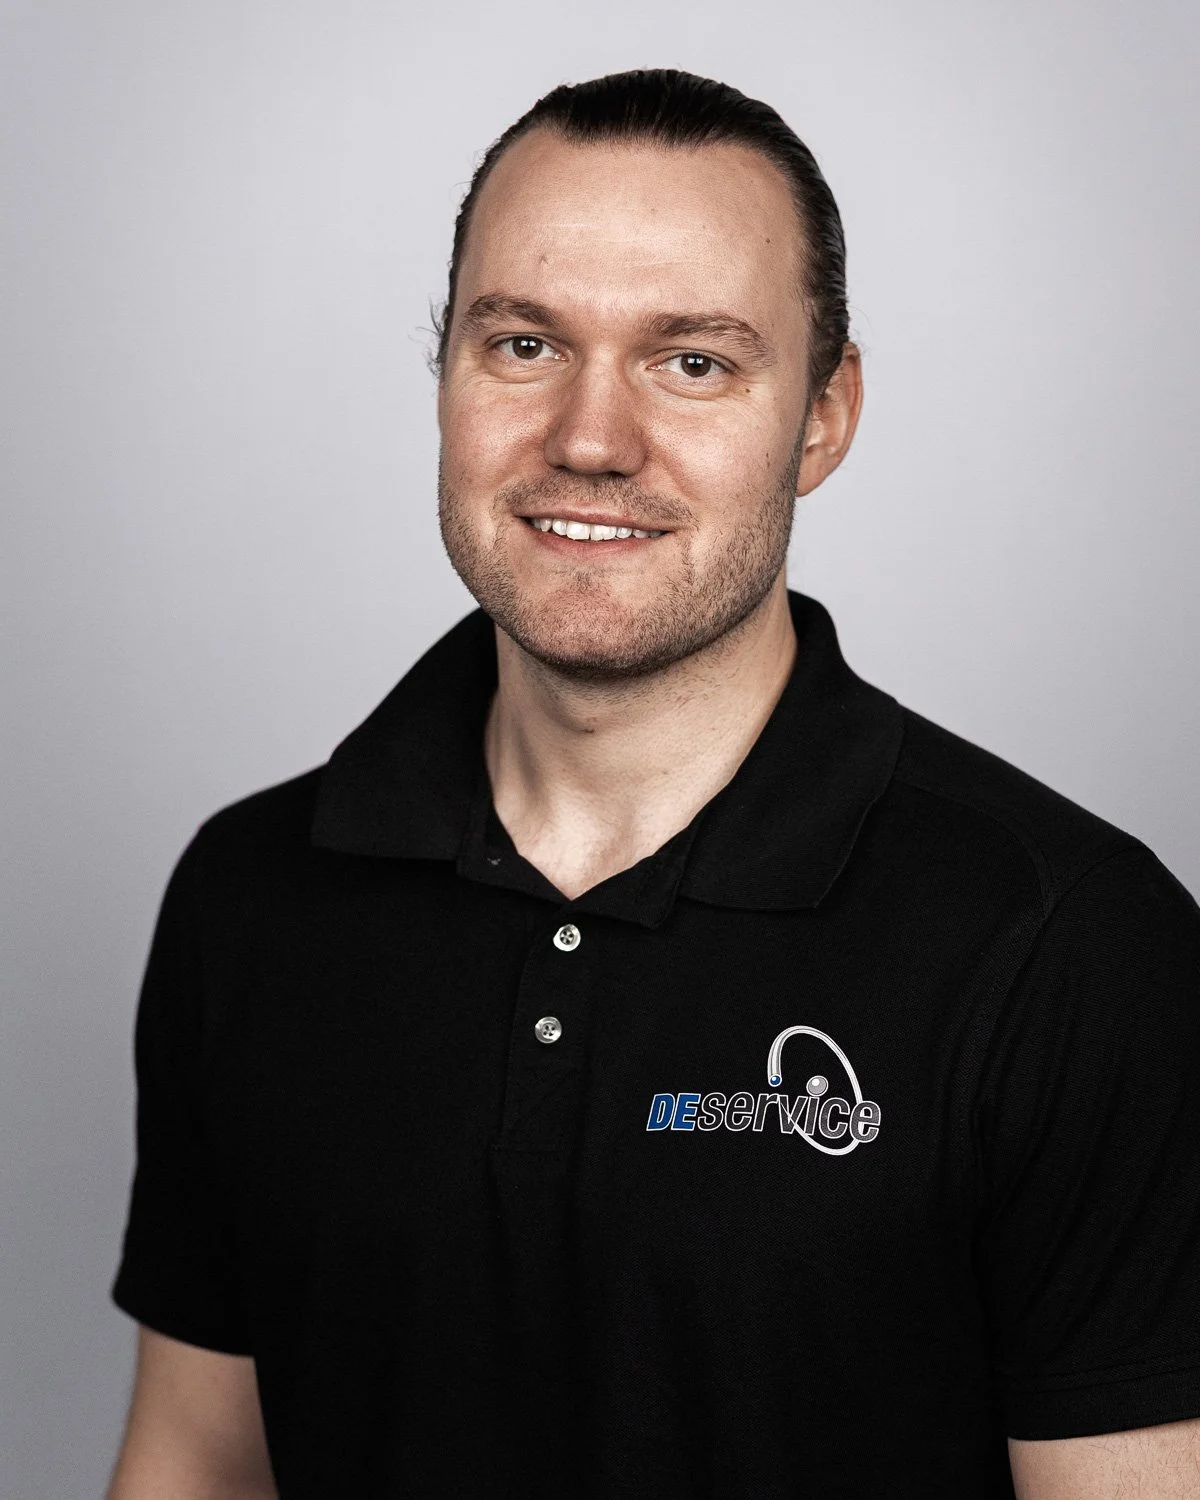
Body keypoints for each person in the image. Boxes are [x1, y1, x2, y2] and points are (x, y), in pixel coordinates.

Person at [105, 69, 1200, 1499]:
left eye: (692, 363)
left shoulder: (1072, 945)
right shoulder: (251, 894)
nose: (590, 440)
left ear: (824, 416)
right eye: (523, 345)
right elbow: (197, 1464)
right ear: (444, 374)